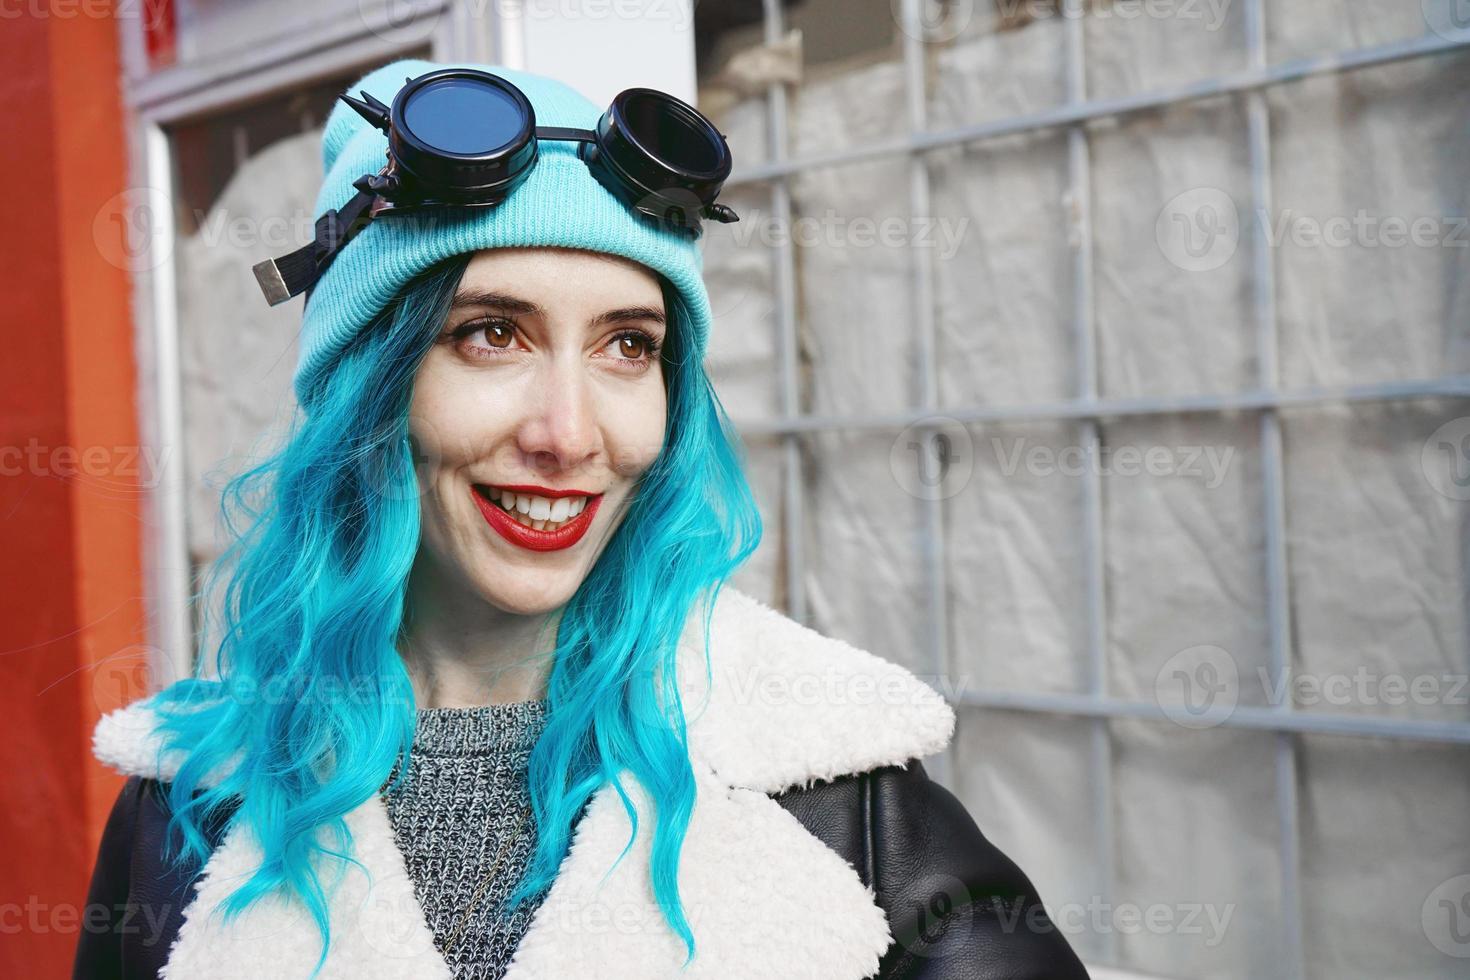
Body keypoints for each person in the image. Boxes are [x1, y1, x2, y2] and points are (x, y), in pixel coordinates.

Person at [73, 58, 1090, 980]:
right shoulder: (185, 814)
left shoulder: (852, 803)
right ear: (367, 389)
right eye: (491, 334)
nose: (569, 432)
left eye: (627, 346)